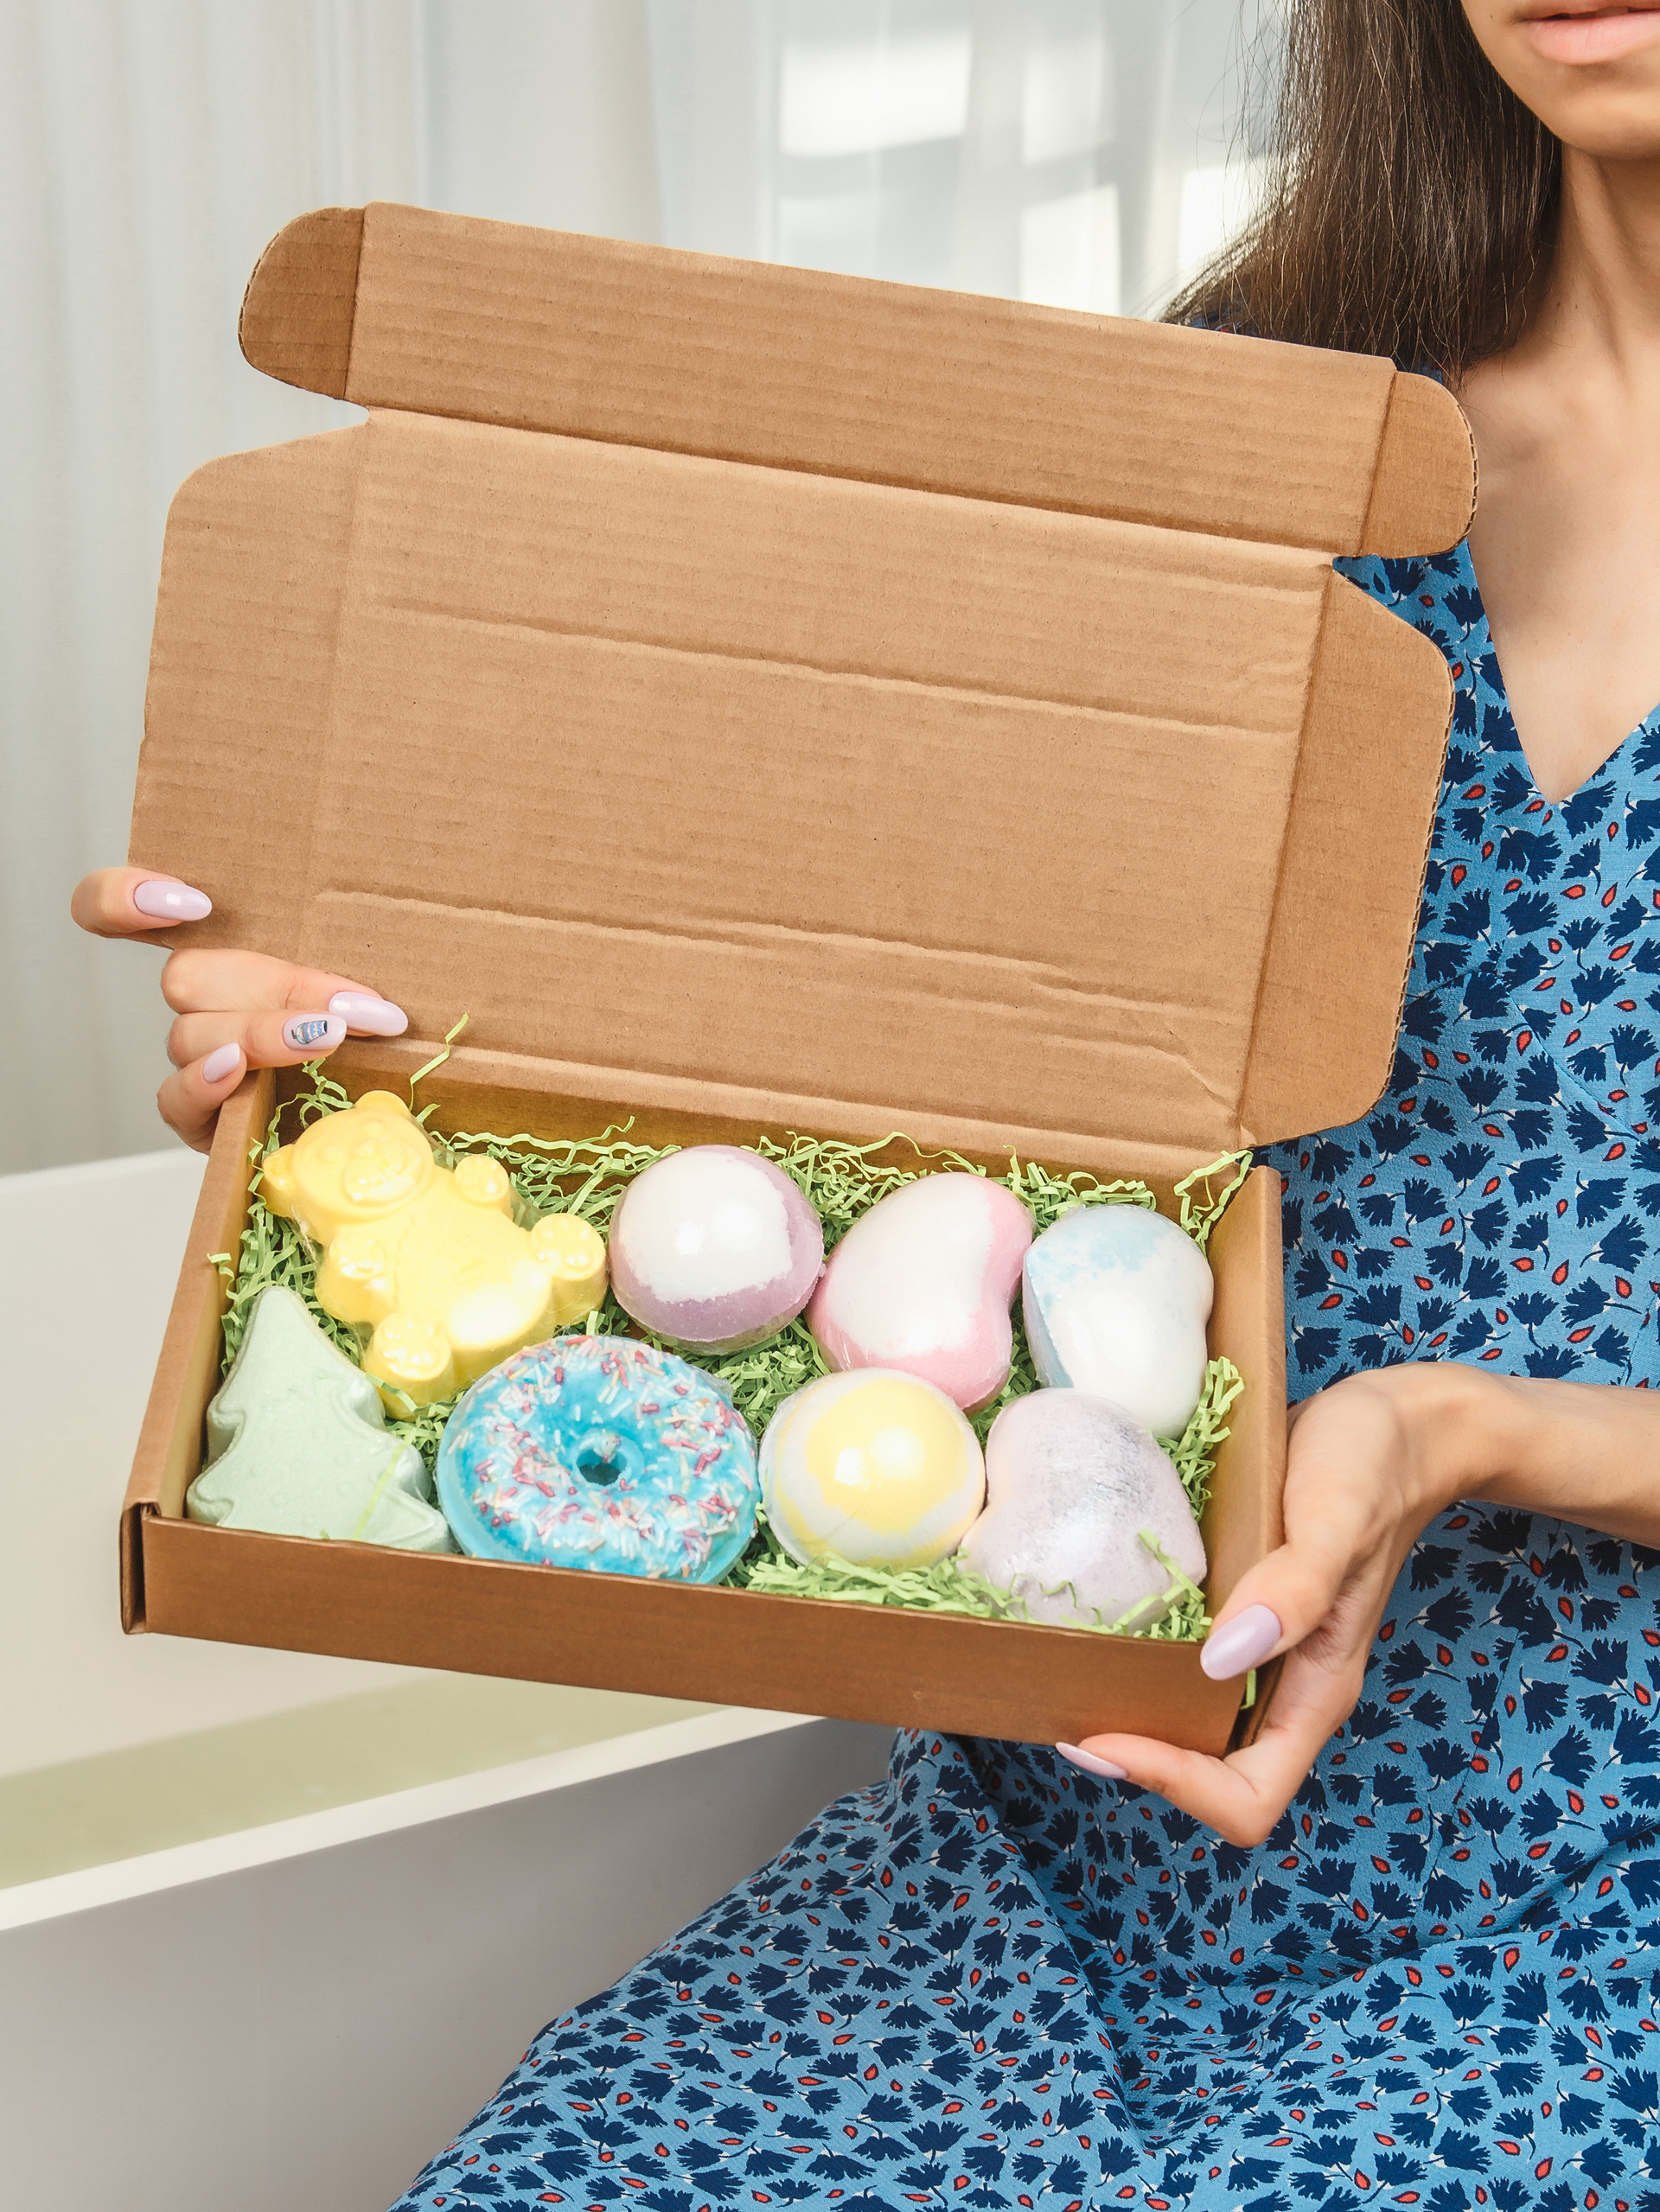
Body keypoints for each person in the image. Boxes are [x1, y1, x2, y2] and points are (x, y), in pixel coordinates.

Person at [72, 1, 1660, 2201]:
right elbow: (909, 1007)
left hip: (1601, 1903)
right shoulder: (1251, 424)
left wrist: (1479, 1428)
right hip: (1085, 1800)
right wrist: (376, 1061)